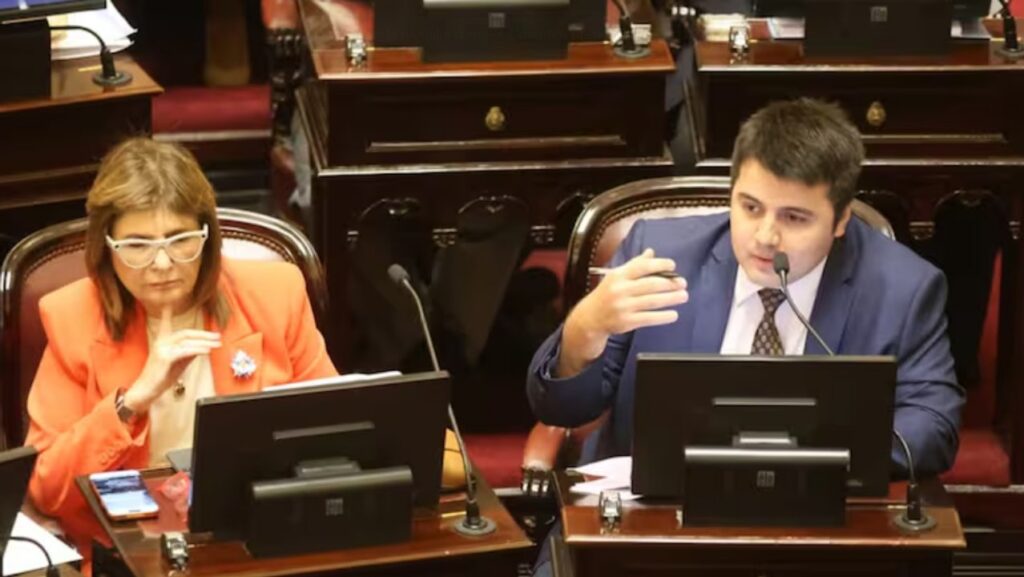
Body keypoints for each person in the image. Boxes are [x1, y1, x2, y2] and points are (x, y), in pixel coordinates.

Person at [23, 138, 463, 567]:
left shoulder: (273, 296)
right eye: (137, 245)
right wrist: (132, 402)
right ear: (107, 247)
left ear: (207, 235)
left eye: (179, 239)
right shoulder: (73, 318)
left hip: (264, 542)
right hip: (139, 556)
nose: (162, 263)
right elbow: (45, 489)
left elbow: (335, 429)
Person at [527, 98, 964, 477]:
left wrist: (802, 452)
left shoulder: (901, 289)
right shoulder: (660, 257)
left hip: (811, 508)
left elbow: (933, 426)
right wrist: (583, 331)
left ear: (841, 220)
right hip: (657, 512)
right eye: (751, 207)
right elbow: (560, 409)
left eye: (794, 217)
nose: (765, 236)